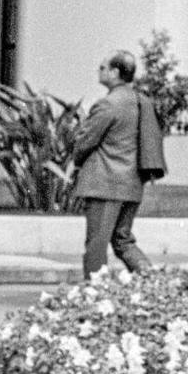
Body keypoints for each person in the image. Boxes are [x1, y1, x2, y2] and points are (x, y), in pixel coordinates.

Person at [71, 51, 162, 279]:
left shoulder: (108, 104)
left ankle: (95, 291)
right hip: (132, 185)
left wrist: (79, 137)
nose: (99, 71)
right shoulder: (141, 102)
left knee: (96, 244)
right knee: (123, 240)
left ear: (114, 72)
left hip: (105, 184)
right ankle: (152, 281)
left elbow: (85, 142)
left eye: (103, 68)